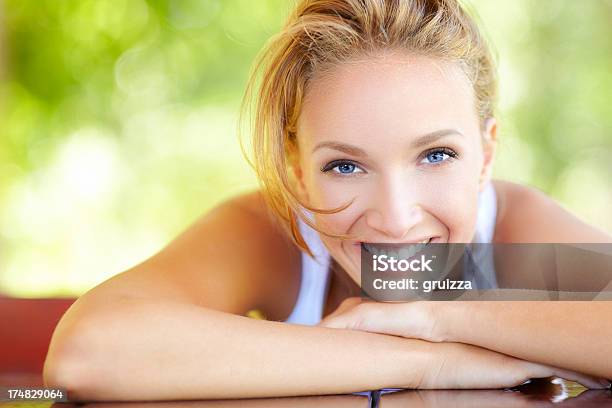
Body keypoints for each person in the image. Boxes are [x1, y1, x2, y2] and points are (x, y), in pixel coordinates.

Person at [44, 0, 612, 401]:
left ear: (486, 156)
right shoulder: (269, 234)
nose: (396, 217)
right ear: (296, 174)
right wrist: (430, 361)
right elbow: (88, 352)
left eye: (436, 155)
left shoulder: (516, 230)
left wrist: (435, 317)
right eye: (345, 165)